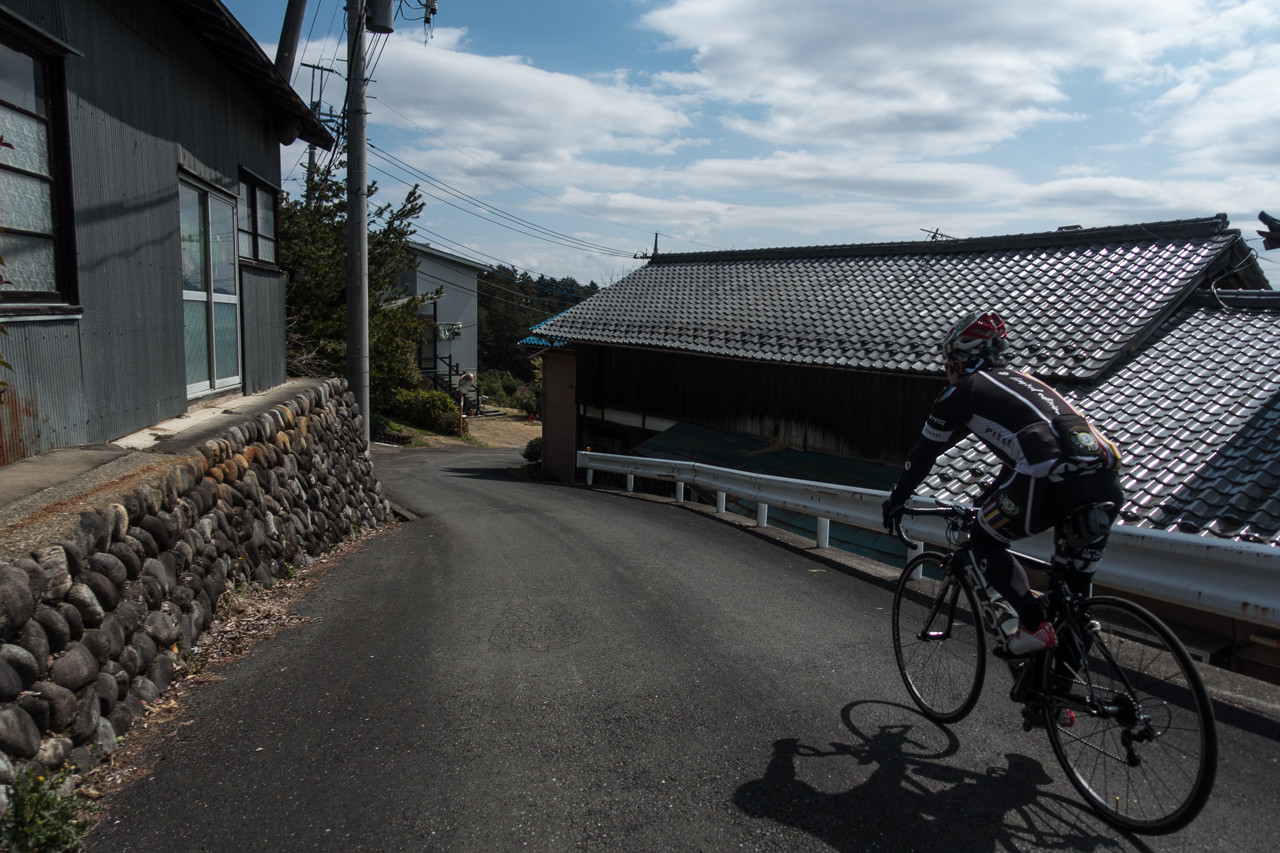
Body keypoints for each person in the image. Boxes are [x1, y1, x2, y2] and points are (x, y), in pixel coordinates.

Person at [881, 310, 1124, 657]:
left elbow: (924, 454)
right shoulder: (1025, 382)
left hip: (1051, 480)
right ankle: (1058, 688)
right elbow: (1013, 466)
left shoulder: (959, 392)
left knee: (983, 538)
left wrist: (897, 498)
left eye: (947, 362)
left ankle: (1033, 624)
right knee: (1073, 596)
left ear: (958, 361)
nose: (947, 370)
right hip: (1105, 480)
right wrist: (988, 499)